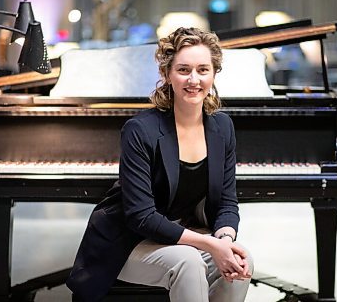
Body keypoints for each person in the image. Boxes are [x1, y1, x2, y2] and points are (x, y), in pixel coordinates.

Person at [67, 27, 253, 302]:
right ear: (167, 74)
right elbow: (141, 217)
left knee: (243, 260)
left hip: (185, 237)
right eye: (183, 70)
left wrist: (225, 240)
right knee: (188, 263)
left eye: (203, 70)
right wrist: (211, 244)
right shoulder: (140, 130)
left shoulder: (222, 127)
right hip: (129, 241)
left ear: (214, 74)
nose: (194, 79)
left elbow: (227, 202)